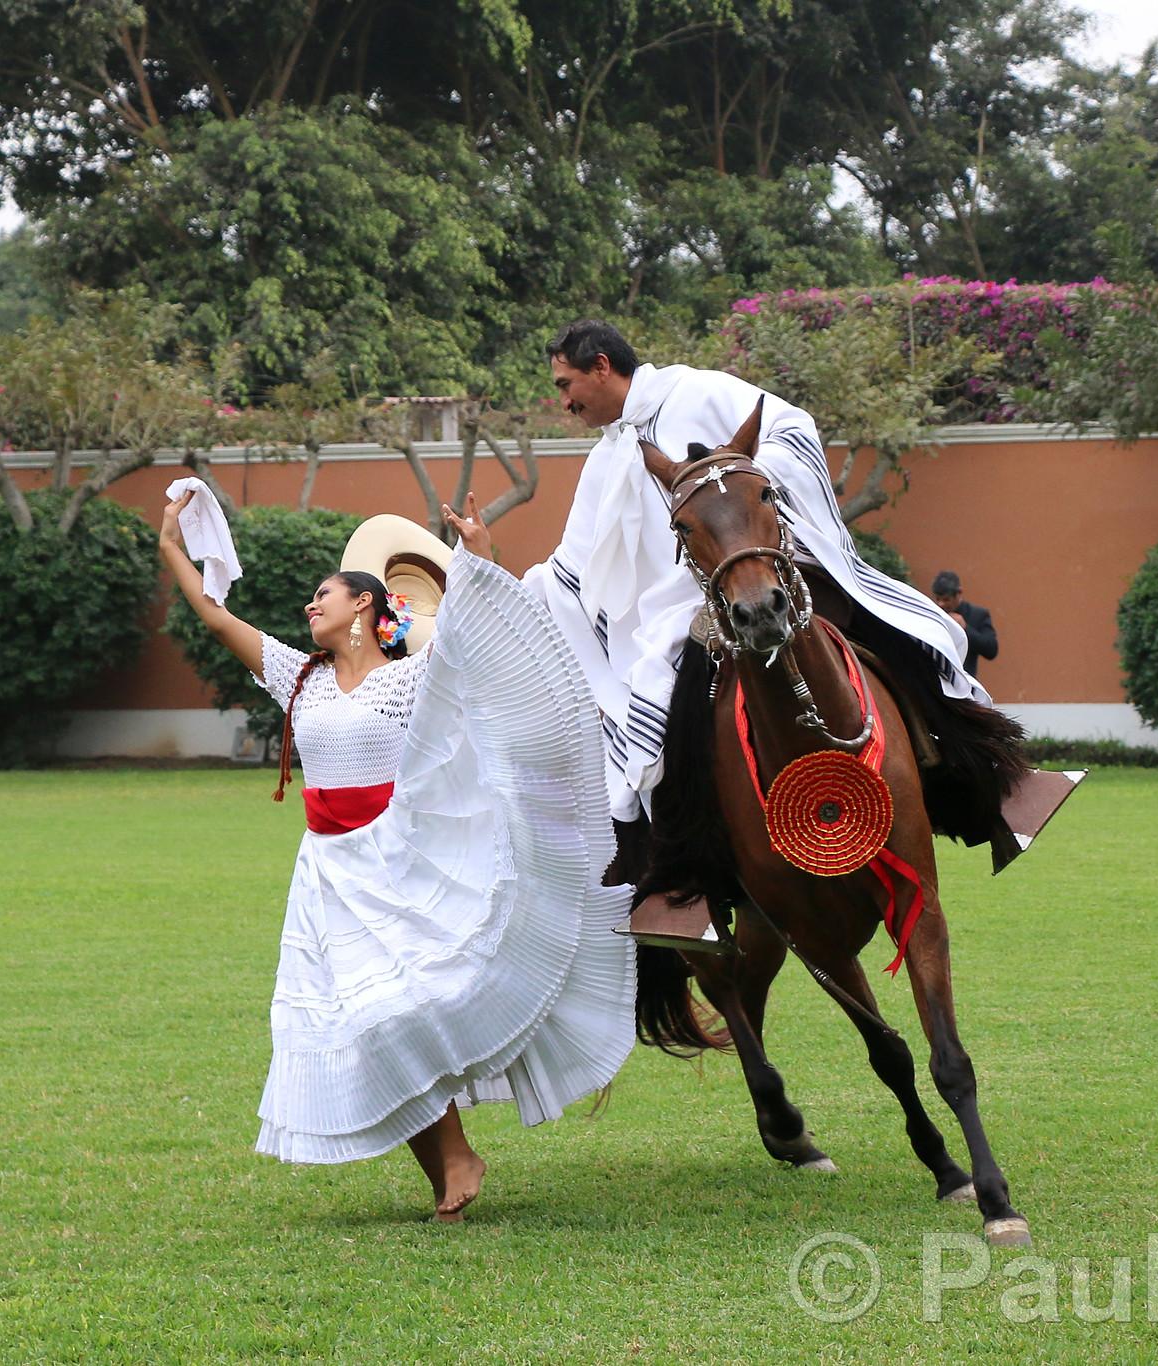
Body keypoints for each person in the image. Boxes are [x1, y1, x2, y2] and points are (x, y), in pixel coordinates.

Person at [159, 489, 635, 1222]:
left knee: (397, 1008)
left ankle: (454, 1155)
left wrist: (477, 552)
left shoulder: (409, 678)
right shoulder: (300, 679)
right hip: (326, 872)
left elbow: (478, 637)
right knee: (357, 1020)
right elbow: (218, 616)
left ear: (364, 606)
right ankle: (451, 1159)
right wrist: (169, 544)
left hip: (401, 860)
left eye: (324, 595)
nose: (310, 606)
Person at [526, 319, 1027, 887]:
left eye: (567, 384)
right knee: (653, 716)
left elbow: (791, 428)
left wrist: (751, 497)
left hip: (764, 567)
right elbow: (573, 566)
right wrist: (497, 578)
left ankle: (995, 785)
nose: (563, 401)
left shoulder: (698, 391)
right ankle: (678, 886)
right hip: (671, 612)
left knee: (908, 634)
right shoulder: (607, 456)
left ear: (601, 366)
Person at [930, 570, 999, 678]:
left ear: (959, 593)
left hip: (965, 684)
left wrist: (966, 628)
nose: (941, 604)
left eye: (946, 599)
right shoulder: (932, 614)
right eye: (938, 599)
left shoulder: (977, 614)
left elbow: (991, 650)